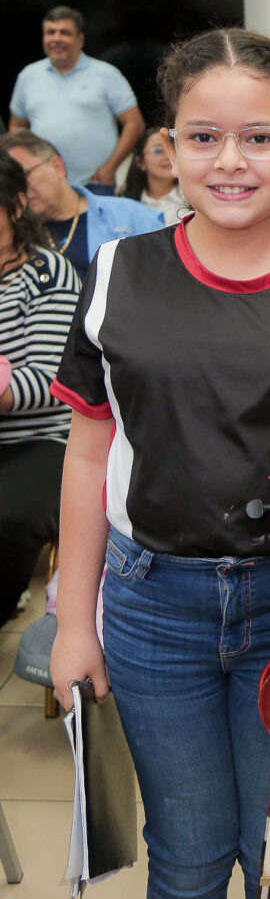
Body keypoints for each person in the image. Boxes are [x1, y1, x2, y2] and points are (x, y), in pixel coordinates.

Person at [49, 28, 270, 899]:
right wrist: (72, 622)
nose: (230, 162)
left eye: (259, 137)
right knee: (187, 853)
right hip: (148, 606)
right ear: (166, 149)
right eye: (202, 137)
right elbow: (90, 448)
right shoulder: (115, 273)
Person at [0, 151, 80, 627]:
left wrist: (5, 394)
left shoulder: (46, 273)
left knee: (9, 517)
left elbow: (54, 377)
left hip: (41, 440)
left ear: (14, 206)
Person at [9, 6, 145, 193]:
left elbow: (134, 124)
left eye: (64, 32)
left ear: (80, 39)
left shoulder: (106, 74)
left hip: (97, 184)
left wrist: (110, 167)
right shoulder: (28, 76)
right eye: (50, 32)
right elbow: (16, 128)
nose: (56, 38)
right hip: (42, 185)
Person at [0, 129, 162, 279]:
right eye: (10, 186)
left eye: (24, 176)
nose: (18, 190)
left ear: (57, 166)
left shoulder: (134, 217)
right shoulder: (15, 241)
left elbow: (164, 282)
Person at [119, 125, 189, 226]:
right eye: (158, 150)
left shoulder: (191, 199)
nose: (167, 156)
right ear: (140, 162)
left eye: (172, 149)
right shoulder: (124, 205)